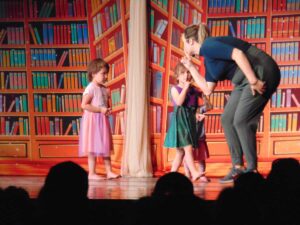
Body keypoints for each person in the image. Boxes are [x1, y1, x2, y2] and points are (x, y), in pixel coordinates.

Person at [180, 23, 280, 183]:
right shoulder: (208, 59)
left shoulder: (208, 45)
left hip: (260, 70)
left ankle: (252, 171)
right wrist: (191, 67)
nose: (183, 46)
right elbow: (207, 89)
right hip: (242, 81)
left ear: (191, 41)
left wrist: (254, 81)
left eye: (183, 42)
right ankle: (238, 167)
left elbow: (238, 54)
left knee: (241, 120)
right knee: (227, 118)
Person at [79, 58, 120, 180]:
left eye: (106, 73)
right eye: (103, 73)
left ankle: (109, 171)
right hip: (92, 121)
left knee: (105, 145)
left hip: (102, 121)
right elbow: (84, 105)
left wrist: (107, 109)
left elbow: (104, 103)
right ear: (93, 74)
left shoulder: (103, 88)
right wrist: (100, 110)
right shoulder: (90, 88)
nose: (106, 76)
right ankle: (91, 173)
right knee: (92, 146)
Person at [163, 62, 204, 181]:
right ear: (177, 76)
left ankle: (170, 176)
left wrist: (197, 114)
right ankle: (194, 172)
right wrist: (185, 88)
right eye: (183, 73)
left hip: (189, 120)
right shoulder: (174, 89)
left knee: (180, 152)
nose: (186, 75)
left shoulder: (193, 89)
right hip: (180, 120)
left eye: (188, 72)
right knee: (187, 147)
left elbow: (195, 104)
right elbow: (179, 102)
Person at [183, 94, 211, 182]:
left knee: (201, 157)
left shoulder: (200, 109)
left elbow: (209, 106)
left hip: (199, 137)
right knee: (187, 156)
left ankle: (202, 174)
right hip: (189, 138)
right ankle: (187, 174)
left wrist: (203, 96)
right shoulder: (186, 110)